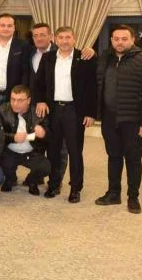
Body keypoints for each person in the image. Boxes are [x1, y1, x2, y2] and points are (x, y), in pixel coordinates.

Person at [95, 24, 142, 214]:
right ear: (111, 40)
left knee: (133, 159)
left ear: (133, 40)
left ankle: (133, 197)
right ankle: (113, 193)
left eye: (124, 39)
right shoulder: (105, 58)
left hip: (133, 120)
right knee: (113, 157)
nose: (120, 42)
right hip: (109, 119)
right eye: (116, 39)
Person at [35, 26, 97, 203]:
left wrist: (91, 113)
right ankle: (54, 184)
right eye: (61, 37)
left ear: (74, 38)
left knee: (75, 151)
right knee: (53, 150)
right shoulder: (47, 58)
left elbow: (92, 87)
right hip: (53, 110)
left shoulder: (84, 58)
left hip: (74, 111)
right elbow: (38, 83)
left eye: (68, 37)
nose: (64, 41)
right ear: (55, 39)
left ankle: (75, 188)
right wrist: (40, 100)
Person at [0, 85, 50, 195]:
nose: (15, 103)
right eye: (13, 99)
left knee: (45, 167)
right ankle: (10, 179)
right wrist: (13, 137)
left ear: (29, 100)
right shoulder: (3, 110)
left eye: (20, 100)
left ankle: (32, 181)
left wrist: (43, 134)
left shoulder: (38, 112)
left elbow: (51, 139)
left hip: (31, 152)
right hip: (10, 152)